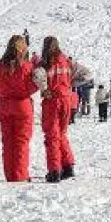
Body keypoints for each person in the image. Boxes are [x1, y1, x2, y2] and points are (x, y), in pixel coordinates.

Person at [0, 35, 39, 182]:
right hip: (22, 106)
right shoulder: (26, 66)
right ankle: (20, 175)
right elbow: (33, 86)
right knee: (21, 142)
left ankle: (10, 175)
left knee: (8, 143)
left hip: (4, 106)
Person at [35, 36, 77, 182]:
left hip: (53, 101)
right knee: (62, 133)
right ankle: (68, 167)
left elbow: (36, 76)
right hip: (67, 99)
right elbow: (81, 74)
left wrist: (44, 89)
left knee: (52, 135)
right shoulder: (65, 60)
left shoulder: (45, 63)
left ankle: (54, 171)